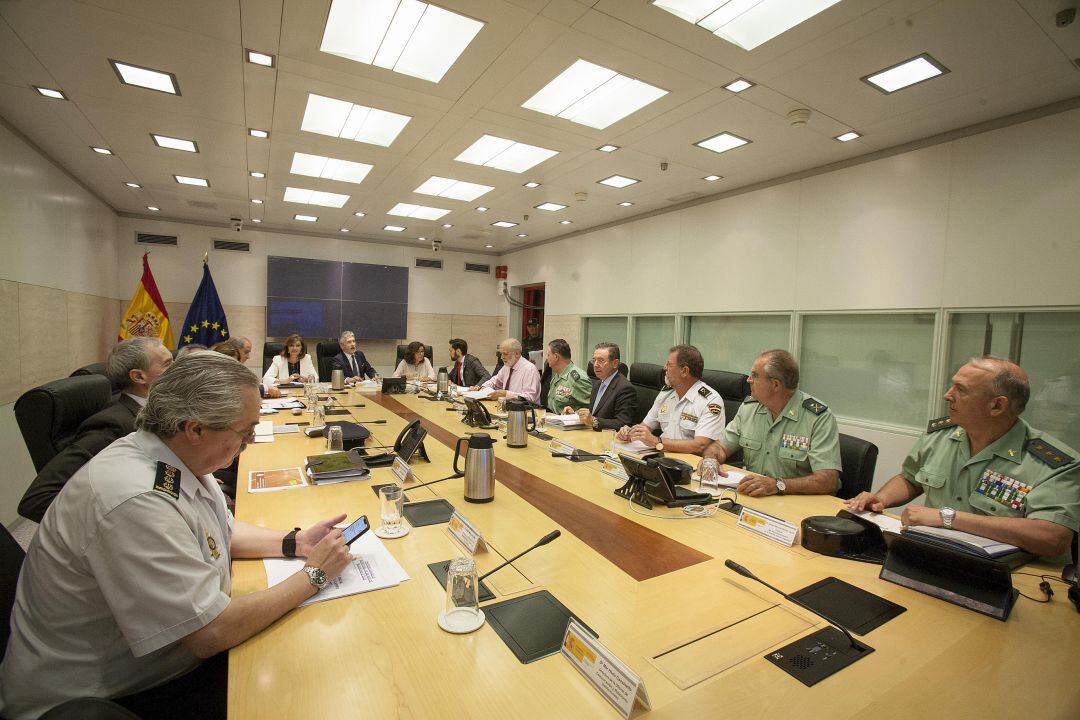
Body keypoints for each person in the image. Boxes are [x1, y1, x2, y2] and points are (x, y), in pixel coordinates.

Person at [0, 353, 352, 720]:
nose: (249, 440)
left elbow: (220, 531)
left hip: (154, 663)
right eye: (244, 432)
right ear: (195, 428)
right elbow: (210, 633)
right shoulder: (134, 499)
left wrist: (295, 543)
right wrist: (314, 575)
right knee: (305, 685)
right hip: (112, 696)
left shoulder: (173, 457)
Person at [846, 356, 1080, 559]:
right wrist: (880, 499)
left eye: (961, 389)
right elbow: (910, 479)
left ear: (997, 406)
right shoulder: (942, 436)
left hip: (1011, 579)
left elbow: (1053, 537)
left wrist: (947, 518)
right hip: (933, 557)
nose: (947, 395)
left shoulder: (1052, 463)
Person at [17, 337, 173, 523]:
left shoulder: (154, 411)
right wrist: (118, 523)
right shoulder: (112, 427)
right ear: (139, 377)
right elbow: (37, 500)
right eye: (168, 365)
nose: (179, 370)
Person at [701, 349, 841, 497]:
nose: (748, 380)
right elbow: (720, 447)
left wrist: (779, 485)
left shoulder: (818, 418)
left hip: (797, 502)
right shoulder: (749, 408)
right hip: (754, 498)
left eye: (755, 375)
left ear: (775, 385)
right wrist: (711, 461)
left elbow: (827, 480)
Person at [617, 345, 724, 456]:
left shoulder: (710, 401)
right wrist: (630, 433)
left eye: (669, 364)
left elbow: (700, 446)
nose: (664, 368)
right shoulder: (666, 393)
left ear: (684, 371)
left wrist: (657, 442)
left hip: (687, 464)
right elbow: (646, 426)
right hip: (660, 457)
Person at [574, 342, 636, 431]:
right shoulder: (598, 384)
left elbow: (623, 423)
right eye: (594, 360)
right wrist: (576, 414)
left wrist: (594, 421)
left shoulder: (625, 389)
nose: (595, 365)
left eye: (601, 360)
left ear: (615, 363)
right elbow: (594, 413)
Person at [476, 338, 541, 405]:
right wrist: (484, 387)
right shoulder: (507, 366)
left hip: (526, 411)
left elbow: (530, 398)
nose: (502, 357)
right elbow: (494, 382)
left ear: (517, 354)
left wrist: (506, 394)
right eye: (501, 354)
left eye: (505, 354)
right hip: (506, 408)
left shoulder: (529, 369)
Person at [544, 339, 591, 414]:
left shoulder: (577, 378)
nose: (547, 358)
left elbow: (591, 409)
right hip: (554, 421)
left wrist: (574, 413)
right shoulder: (557, 375)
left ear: (556, 356)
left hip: (572, 424)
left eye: (548, 355)